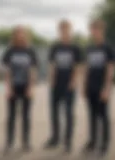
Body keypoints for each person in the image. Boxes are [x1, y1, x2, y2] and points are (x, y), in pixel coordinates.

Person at [45, 20, 82, 152]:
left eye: (66, 29)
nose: (64, 32)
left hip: (69, 85)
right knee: (54, 112)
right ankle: (55, 138)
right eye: (61, 30)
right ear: (59, 31)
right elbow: (52, 65)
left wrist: (73, 81)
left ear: (70, 30)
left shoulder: (75, 48)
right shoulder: (55, 47)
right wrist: (51, 79)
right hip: (56, 85)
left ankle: (68, 142)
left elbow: (78, 66)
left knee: (68, 113)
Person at [2, 25, 38, 153]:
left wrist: (31, 87)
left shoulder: (30, 51)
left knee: (26, 116)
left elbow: (33, 70)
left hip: (26, 87)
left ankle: (25, 142)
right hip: (13, 87)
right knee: (11, 116)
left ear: (25, 35)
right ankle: (9, 143)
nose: (20, 35)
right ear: (14, 35)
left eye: (22, 33)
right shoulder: (10, 51)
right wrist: (8, 88)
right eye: (17, 33)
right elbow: (7, 70)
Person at [83, 19, 114, 154]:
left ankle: (104, 144)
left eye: (97, 29)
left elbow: (110, 69)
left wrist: (107, 89)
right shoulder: (89, 48)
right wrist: (84, 86)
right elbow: (87, 68)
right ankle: (93, 141)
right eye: (93, 29)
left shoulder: (108, 48)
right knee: (92, 115)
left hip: (102, 88)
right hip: (91, 86)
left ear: (102, 31)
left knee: (103, 115)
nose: (95, 32)